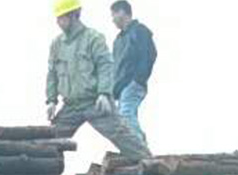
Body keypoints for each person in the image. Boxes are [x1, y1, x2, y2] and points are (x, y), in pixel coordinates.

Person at [46, 0, 151, 159]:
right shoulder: (56, 45)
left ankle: (151, 164)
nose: (58, 22)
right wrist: (51, 101)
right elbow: (52, 74)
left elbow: (105, 66)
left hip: (95, 102)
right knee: (50, 142)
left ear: (74, 15)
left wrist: (104, 93)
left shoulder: (93, 38)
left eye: (62, 17)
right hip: (71, 106)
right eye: (57, 18)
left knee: (124, 137)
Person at [111, 1, 157, 142]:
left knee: (125, 114)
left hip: (133, 83)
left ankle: (139, 147)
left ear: (122, 12)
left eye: (113, 15)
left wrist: (139, 78)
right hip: (122, 87)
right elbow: (116, 66)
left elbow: (150, 54)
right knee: (124, 117)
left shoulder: (139, 30)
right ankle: (135, 146)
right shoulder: (118, 40)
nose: (112, 19)